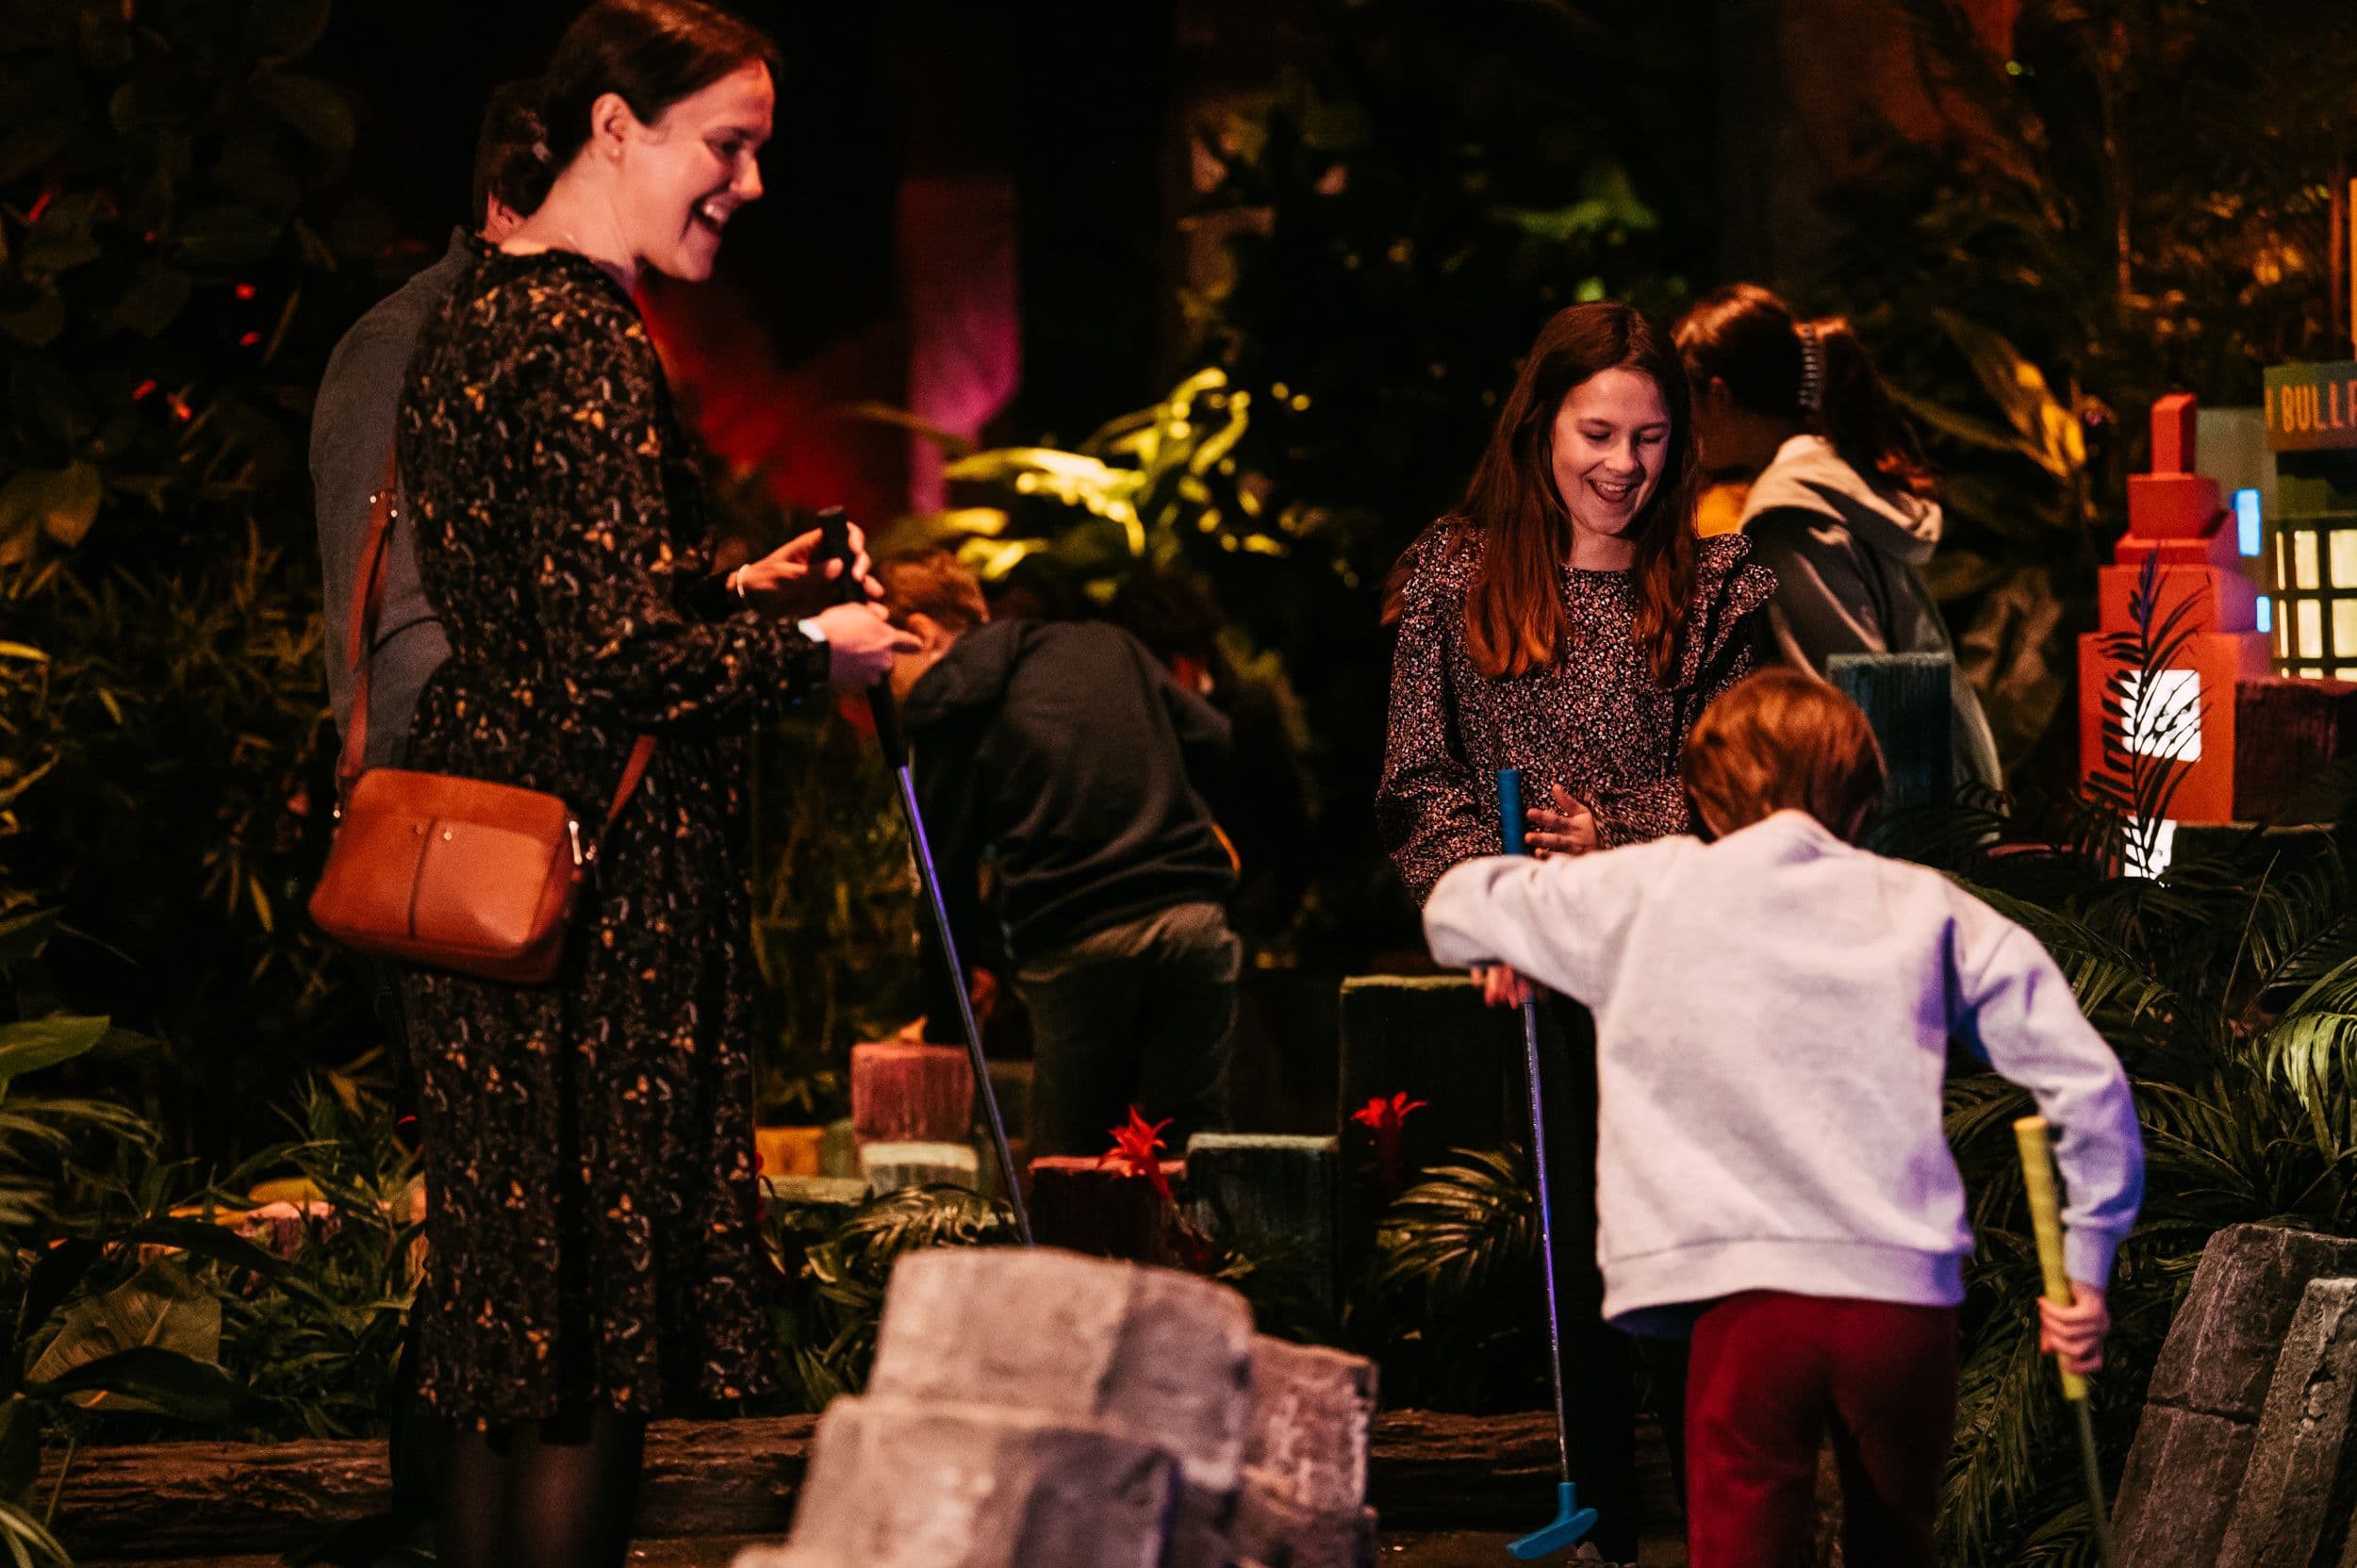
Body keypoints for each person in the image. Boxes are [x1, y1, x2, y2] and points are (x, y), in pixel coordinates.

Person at [389, 6, 915, 1567]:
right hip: (595, 924)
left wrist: (730, 588)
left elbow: (559, 609)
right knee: (590, 1347)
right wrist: (810, 652)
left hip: (497, 892)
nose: (749, 186)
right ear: (615, 128)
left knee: (513, 1332)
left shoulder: (474, 314)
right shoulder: (590, 336)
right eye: (728, 145)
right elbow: (621, 660)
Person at [1423, 669, 2142, 1568]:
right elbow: (2089, 1083)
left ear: (1708, 797)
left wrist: (1506, 942)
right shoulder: (1929, 907)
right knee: (1898, 1546)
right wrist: (2086, 1269)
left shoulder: (1646, 887)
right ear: (1859, 800)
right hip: (1901, 1305)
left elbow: (1454, 901)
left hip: (1745, 1303)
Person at [1375, 299, 1772, 1562]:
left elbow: (1745, 777)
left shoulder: (1720, 580)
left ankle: (1721, 1515)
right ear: (1539, 422)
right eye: (1596, 431)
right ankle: (1601, 1506)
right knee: (1573, 1235)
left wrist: (1621, 826)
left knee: (1691, 1238)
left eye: (1651, 439)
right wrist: (1488, 911)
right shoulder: (1454, 566)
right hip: (1530, 965)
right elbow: (1418, 778)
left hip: (1680, 957)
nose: (1622, 465)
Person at [879, 547, 1242, 1158]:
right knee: (1192, 1158)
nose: (879, 689)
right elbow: (1214, 737)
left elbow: (944, 891)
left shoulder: (946, 706)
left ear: (919, 634)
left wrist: (948, 1030)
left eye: (877, 664)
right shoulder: (1105, 644)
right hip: (1191, 924)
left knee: (1075, 1173)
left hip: (1078, 948)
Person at [1674, 283, 2003, 790]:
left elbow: (1843, 699)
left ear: (1719, 395)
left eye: (1686, 403)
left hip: (1899, 810)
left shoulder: (1789, 515)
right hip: (1949, 780)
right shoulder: (1838, 473)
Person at [313, 80, 541, 775]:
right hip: (458, 832)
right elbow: (399, 648)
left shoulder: (553, 359)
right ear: (504, 204)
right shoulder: (403, 348)